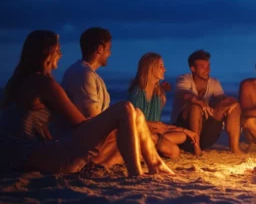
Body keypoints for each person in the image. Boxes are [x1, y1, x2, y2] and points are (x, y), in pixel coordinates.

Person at [0, 30, 174, 176]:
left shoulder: (21, 81)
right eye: (58, 51)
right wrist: (116, 126)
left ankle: (154, 164)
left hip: (19, 155)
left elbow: (35, 126)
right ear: (47, 53)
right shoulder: (45, 84)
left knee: (135, 114)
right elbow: (79, 122)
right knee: (125, 109)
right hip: (34, 157)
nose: (61, 55)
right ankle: (137, 172)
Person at [60, 27, 120, 167]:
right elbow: (92, 117)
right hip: (80, 141)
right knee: (132, 137)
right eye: (108, 48)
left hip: (88, 136)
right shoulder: (83, 74)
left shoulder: (88, 73)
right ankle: (94, 164)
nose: (110, 53)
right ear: (100, 49)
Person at [128, 52, 199, 159]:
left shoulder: (159, 94)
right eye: (161, 66)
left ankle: (152, 149)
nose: (164, 69)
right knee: (174, 150)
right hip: (139, 134)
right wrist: (182, 129)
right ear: (150, 68)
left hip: (155, 132)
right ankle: (149, 150)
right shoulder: (138, 92)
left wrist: (184, 131)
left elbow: (159, 126)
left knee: (181, 136)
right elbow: (135, 123)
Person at [170, 50, 242, 154]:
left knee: (233, 105)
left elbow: (221, 99)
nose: (207, 69)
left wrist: (232, 102)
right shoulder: (184, 79)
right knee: (195, 106)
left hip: (206, 133)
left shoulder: (214, 82)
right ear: (193, 68)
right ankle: (196, 148)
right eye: (202, 66)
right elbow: (184, 93)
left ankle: (235, 149)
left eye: (208, 66)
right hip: (183, 133)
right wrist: (200, 102)